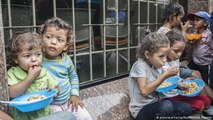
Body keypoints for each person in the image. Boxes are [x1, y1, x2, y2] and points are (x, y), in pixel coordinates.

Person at [128, 32, 192, 120]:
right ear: (148, 55)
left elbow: (164, 83)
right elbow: (144, 91)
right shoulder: (140, 65)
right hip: (141, 109)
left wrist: (177, 85)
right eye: (161, 56)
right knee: (166, 106)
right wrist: (165, 75)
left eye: (166, 56)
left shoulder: (156, 65)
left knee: (186, 108)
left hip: (157, 103)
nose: (165, 60)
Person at [39, 17, 92, 120]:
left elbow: (73, 77)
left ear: (65, 46)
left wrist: (75, 95)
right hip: (50, 105)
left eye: (60, 40)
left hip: (68, 100)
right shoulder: (38, 60)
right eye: (49, 37)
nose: (53, 42)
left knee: (84, 116)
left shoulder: (66, 60)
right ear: (41, 38)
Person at [7, 32, 58, 120]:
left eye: (38, 54)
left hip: (44, 115)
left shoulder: (43, 72)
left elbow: (55, 87)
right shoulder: (13, 73)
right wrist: (30, 78)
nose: (34, 59)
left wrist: (55, 91)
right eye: (27, 56)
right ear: (15, 59)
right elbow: (11, 93)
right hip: (22, 117)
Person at [161, 30, 213, 115]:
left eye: (181, 51)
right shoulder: (161, 63)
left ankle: (207, 106)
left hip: (178, 90)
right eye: (176, 51)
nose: (179, 55)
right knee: (201, 104)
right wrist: (182, 82)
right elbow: (166, 83)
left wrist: (185, 80)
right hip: (170, 96)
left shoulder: (175, 60)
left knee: (206, 99)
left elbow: (177, 75)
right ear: (167, 47)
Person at [187, 11, 213, 85]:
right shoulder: (195, 33)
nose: (195, 22)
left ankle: (205, 95)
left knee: (204, 82)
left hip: (204, 64)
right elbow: (193, 45)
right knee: (189, 74)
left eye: (198, 20)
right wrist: (191, 40)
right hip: (195, 60)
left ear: (205, 23)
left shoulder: (209, 35)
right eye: (194, 20)